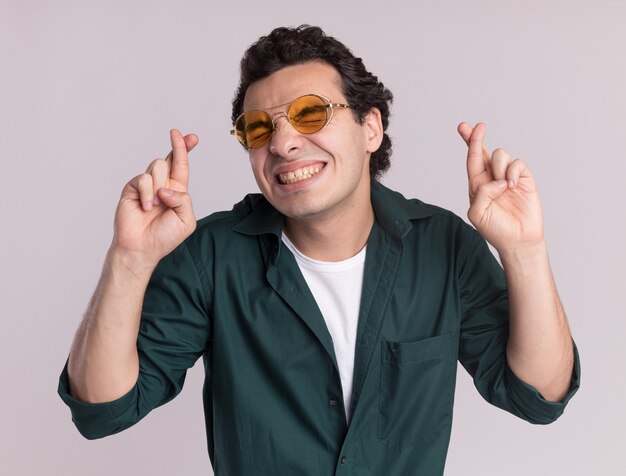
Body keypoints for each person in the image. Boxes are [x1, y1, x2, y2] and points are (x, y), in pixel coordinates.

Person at [59, 25, 580, 475]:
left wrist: (525, 250)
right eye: (258, 128)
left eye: (310, 114)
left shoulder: (443, 246)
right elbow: (103, 409)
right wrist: (129, 258)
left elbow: (538, 396)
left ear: (370, 127)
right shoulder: (210, 256)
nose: (282, 143)